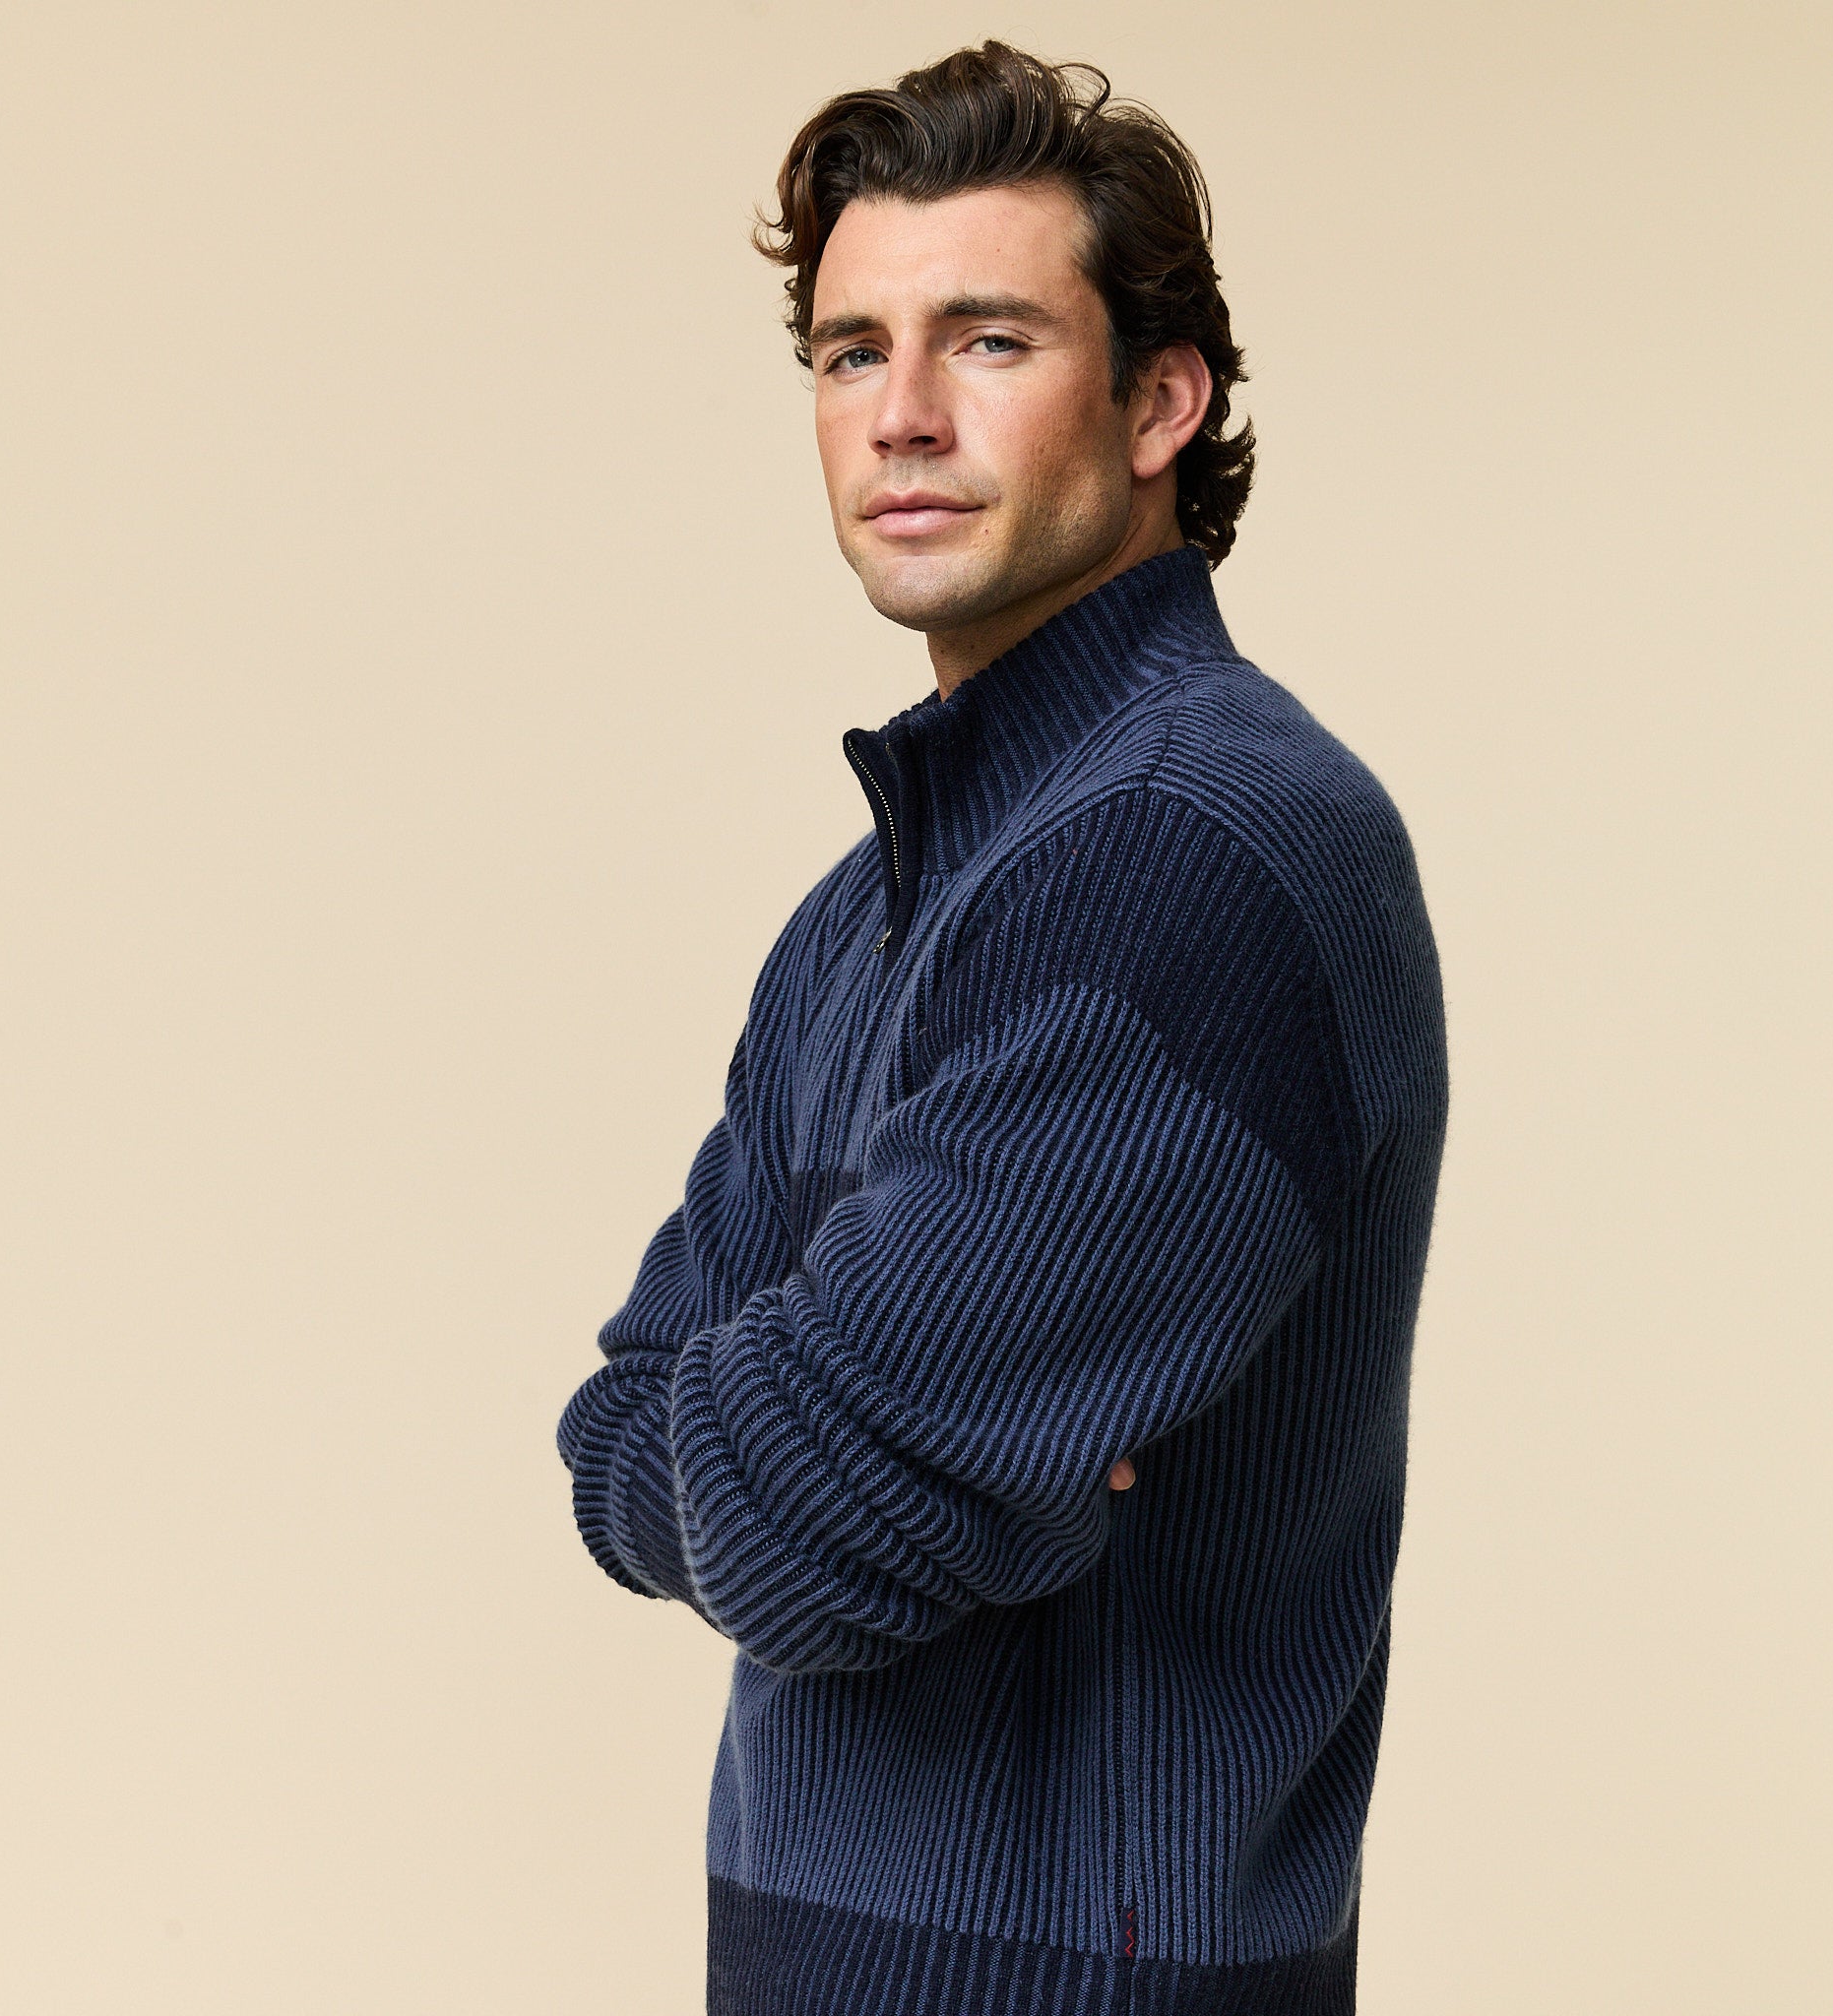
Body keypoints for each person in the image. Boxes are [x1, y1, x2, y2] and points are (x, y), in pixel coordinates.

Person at [555, 41, 1447, 2016]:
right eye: (850, 351)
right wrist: (806, 1427)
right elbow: (622, 1417)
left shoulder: (1197, 853)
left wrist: (791, 1422)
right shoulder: (874, 900)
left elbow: (791, 1528)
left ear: (1159, 402)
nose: (904, 414)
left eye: (987, 339)